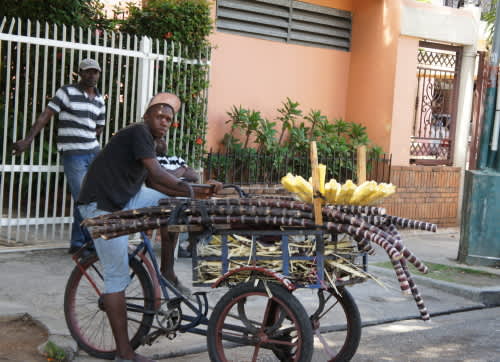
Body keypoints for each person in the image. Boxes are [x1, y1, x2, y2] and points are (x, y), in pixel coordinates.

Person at [77, 92, 221, 362]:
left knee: (172, 205)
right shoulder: (138, 132)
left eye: (169, 118)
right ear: (147, 116)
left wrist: (198, 191)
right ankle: (124, 353)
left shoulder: (150, 145)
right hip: (102, 205)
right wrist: (191, 187)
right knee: (116, 275)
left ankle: (166, 270)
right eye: (160, 116)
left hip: (125, 197)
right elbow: (157, 175)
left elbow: (157, 186)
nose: (165, 121)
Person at [12, 58, 106, 254]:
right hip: (73, 153)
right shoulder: (66, 92)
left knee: (93, 197)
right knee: (83, 198)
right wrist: (28, 139)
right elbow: (46, 115)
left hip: (94, 152)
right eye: (88, 71)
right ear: (80, 73)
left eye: (95, 72)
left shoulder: (99, 99)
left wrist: (86, 134)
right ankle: (85, 243)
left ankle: (79, 242)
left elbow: (100, 125)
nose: (92, 75)